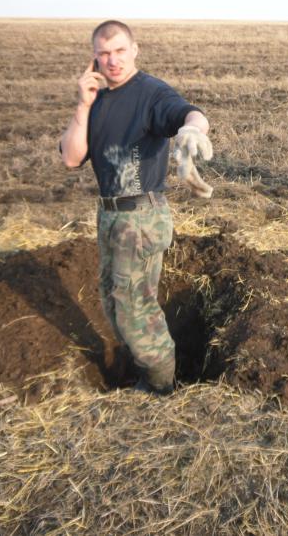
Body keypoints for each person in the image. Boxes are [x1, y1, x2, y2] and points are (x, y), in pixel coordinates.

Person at [60, 20, 212, 395]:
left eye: (119, 51)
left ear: (134, 50)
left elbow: (188, 114)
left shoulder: (151, 93)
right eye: (104, 54)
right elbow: (71, 158)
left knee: (134, 308)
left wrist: (193, 130)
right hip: (110, 214)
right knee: (114, 302)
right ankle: (147, 372)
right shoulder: (96, 100)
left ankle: (160, 387)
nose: (113, 61)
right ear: (94, 57)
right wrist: (83, 104)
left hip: (141, 217)